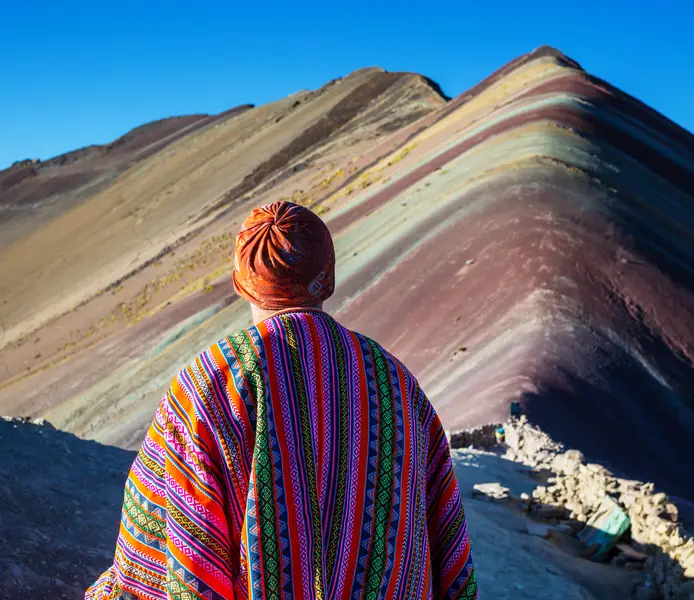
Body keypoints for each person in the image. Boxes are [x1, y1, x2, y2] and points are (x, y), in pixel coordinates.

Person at [86, 201, 478, 600]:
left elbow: (163, 535)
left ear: (240, 284)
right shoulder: (395, 381)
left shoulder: (210, 382)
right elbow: (443, 526)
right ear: (328, 280)